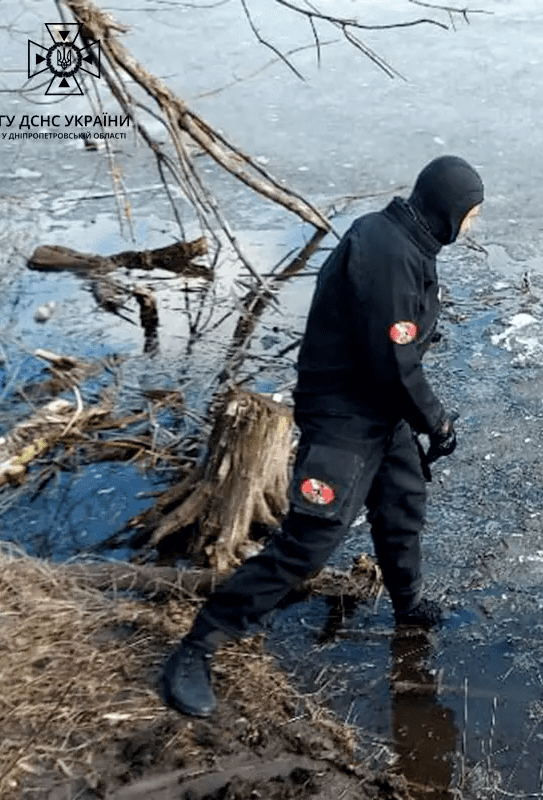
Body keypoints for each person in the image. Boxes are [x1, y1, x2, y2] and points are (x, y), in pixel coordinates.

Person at [160, 155, 484, 718]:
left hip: (380, 411)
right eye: (471, 214)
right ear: (447, 211)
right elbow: (394, 360)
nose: (473, 225)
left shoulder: (409, 243)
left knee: (402, 506)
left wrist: (416, 418)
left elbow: (397, 357)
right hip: (345, 417)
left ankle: (409, 607)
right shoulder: (385, 252)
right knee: (309, 545)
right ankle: (198, 645)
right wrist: (437, 419)